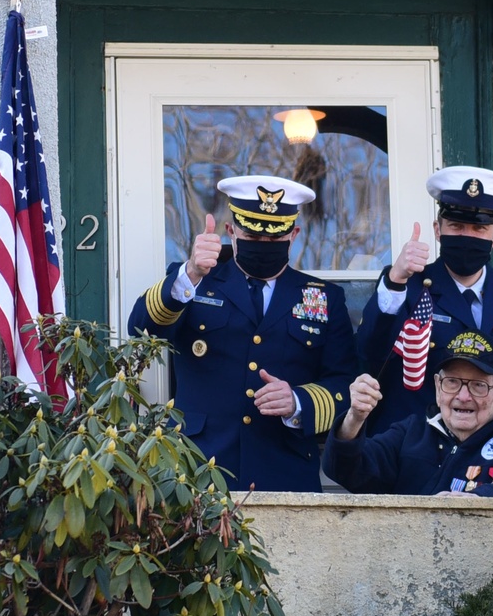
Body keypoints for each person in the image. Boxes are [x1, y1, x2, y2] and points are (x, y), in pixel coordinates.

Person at [128, 175, 356, 492]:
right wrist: (191, 271)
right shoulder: (195, 281)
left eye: (274, 238)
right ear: (231, 231)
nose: (263, 244)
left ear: (294, 235)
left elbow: (345, 386)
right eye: (251, 234)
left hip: (285, 476)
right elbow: (141, 329)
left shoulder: (323, 297)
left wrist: (297, 401)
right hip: (197, 472)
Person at [356, 165, 493, 434]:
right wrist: (396, 278)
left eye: (479, 228)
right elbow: (368, 354)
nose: (467, 236)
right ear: (438, 230)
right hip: (417, 454)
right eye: (456, 225)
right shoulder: (407, 286)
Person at [322, 331, 493, 497]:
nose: (463, 396)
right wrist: (354, 418)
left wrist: (476, 502)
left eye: (478, 385)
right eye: (452, 382)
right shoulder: (412, 433)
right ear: (438, 388)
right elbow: (344, 469)